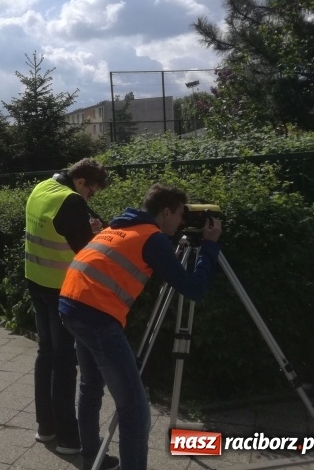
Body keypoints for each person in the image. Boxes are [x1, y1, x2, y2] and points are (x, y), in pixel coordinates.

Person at [59, 184, 222, 470]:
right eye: (181, 215)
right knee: (135, 410)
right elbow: (193, 289)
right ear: (166, 211)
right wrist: (209, 246)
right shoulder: (152, 237)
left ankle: (90, 455)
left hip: (70, 304)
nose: (183, 222)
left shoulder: (120, 226)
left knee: (90, 385)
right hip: (96, 316)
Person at [25, 158, 110, 457]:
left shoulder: (42, 188)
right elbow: (89, 254)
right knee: (64, 363)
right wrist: (99, 234)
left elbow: (55, 229)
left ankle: (45, 427)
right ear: (82, 182)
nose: (90, 199)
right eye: (92, 192)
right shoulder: (71, 201)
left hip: (35, 281)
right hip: (60, 289)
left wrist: (86, 229)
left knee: (45, 354)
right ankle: (69, 439)